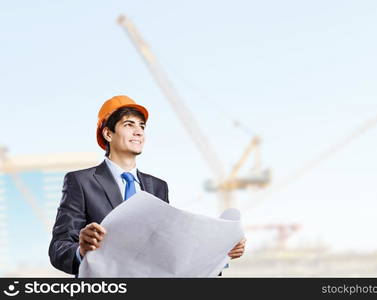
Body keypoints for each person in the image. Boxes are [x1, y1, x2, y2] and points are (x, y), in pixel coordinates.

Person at [48, 95, 246, 276]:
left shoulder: (157, 187)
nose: (138, 132)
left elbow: (170, 250)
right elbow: (58, 247)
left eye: (142, 126)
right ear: (108, 133)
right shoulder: (81, 181)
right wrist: (81, 251)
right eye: (129, 124)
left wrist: (220, 254)